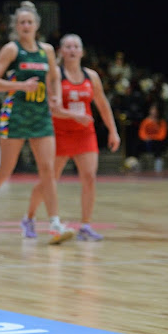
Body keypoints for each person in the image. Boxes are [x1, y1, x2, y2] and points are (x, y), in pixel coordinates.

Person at [0, 1, 78, 245]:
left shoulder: (47, 50)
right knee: (5, 170)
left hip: (40, 115)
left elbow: (55, 77)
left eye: (30, 22)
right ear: (16, 26)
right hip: (15, 114)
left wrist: (56, 95)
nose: (26, 26)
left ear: (37, 25)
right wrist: (19, 85)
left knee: (48, 170)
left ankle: (55, 224)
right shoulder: (11, 50)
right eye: (22, 22)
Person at [25, 34, 120, 241]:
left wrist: (113, 130)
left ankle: (85, 226)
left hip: (85, 133)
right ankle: (29, 218)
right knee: (49, 180)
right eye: (68, 46)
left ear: (82, 51)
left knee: (89, 177)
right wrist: (74, 116)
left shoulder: (91, 76)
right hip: (58, 133)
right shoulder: (55, 75)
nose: (72, 50)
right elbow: (51, 108)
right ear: (61, 51)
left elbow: (102, 104)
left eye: (76, 46)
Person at [138, 103, 168, 172]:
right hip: (147, 142)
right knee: (138, 144)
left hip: (157, 142)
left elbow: (162, 135)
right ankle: (137, 163)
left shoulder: (161, 122)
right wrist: (147, 138)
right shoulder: (145, 121)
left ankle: (158, 163)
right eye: (152, 109)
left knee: (158, 144)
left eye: (155, 110)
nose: (154, 112)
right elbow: (141, 133)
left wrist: (152, 137)